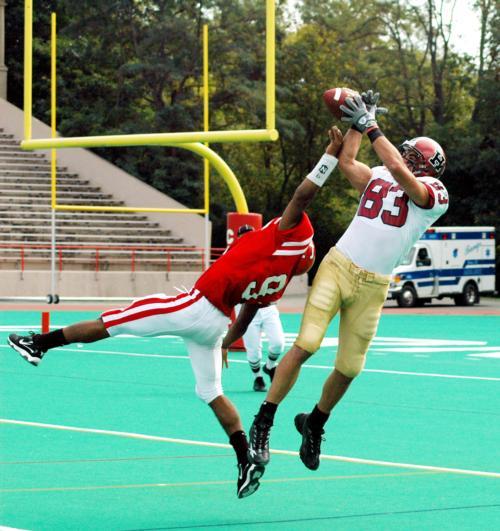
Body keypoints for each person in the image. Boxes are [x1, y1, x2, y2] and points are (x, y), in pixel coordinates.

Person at [8, 125, 344, 498]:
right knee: (211, 392)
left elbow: (302, 194)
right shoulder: (278, 282)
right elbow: (246, 316)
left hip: (195, 306)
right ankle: (245, 460)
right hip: (215, 325)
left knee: (114, 322)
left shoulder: (284, 237)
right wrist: (224, 343)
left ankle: (39, 344)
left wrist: (329, 155)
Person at [247, 90, 449, 472]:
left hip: (374, 286)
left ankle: (315, 422)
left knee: (350, 367)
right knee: (306, 344)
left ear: (425, 166)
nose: (402, 157)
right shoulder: (379, 175)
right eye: (404, 153)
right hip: (339, 266)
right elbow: (348, 161)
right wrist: (358, 122)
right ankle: (264, 420)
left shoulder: (435, 195)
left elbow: (401, 172)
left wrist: (370, 124)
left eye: (412, 156)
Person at [235, 225, 286, 393]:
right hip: (245, 308)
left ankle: (270, 366)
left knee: (278, 343)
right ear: (238, 239)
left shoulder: (267, 253)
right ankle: (257, 377)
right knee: (253, 351)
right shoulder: (232, 257)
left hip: (267, 306)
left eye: (251, 235)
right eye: (244, 236)